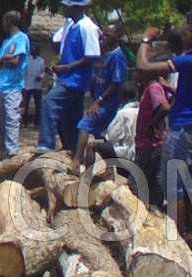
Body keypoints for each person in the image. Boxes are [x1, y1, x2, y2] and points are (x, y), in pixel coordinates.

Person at [137, 16, 192, 249]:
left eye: (187, 30)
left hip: (181, 129)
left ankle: (178, 239)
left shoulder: (190, 60)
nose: (182, 33)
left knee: (173, 185)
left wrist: (146, 40)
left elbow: (143, 68)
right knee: (190, 183)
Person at [36, 0, 101, 153]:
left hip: (75, 79)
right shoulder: (71, 25)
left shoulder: (88, 27)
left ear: (75, 7)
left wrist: (67, 67)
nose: (63, 8)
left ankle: (46, 143)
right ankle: (72, 149)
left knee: (49, 102)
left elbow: (92, 56)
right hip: (67, 77)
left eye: (66, 6)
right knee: (70, 117)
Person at [72, 23, 128, 170]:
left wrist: (99, 101)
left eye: (108, 35)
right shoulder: (103, 53)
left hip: (108, 103)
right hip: (98, 100)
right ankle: (108, 169)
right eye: (103, 35)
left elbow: (116, 83)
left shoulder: (117, 56)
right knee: (97, 140)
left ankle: (76, 162)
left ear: (117, 37)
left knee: (85, 124)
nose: (103, 38)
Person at [0, 10, 31, 159]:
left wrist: (3, 60)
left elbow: (15, 61)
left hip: (13, 86)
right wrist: (5, 58)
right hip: (0, 86)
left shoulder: (21, 38)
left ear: (9, 21)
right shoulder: (5, 42)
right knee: (0, 123)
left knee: (11, 120)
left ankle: (12, 152)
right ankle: (3, 152)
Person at [134, 67, 174, 209]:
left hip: (149, 143)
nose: (136, 74)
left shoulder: (154, 87)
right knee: (149, 181)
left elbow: (165, 108)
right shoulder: (154, 88)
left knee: (138, 182)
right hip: (148, 142)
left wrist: (151, 125)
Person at [23, 44, 46, 127]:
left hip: (37, 86)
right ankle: (24, 122)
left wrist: (41, 76)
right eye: (33, 50)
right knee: (25, 105)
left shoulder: (41, 61)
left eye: (37, 50)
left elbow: (43, 71)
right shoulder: (26, 60)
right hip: (27, 85)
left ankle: (37, 123)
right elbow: (23, 71)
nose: (35, 52)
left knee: (38, 106)